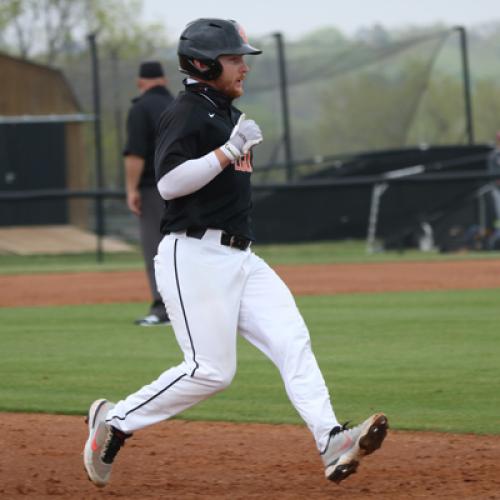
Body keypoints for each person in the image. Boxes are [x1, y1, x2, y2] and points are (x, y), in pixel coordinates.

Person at [83, 18, 388, 488]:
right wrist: (228, 151)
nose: (244, 67)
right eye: (234, 59)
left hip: (241, 257)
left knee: (292, 341)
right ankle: (115, 422)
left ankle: (331, 439)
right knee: (211, 371)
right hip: (193, 255)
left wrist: (229, 145)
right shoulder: (187, 111)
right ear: (203, 64)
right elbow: (167, 183)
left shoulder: (223, 112)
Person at [123, 60, 174, 326]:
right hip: (190, 186)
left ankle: (163, 309)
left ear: (140, 82)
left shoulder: (141, 108)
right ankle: (190, 308)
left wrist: (131, 189)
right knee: (187, 248)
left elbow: (135, 153)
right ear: (164, 80)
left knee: (156, 248)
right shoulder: (180, 104)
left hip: (154, 188)